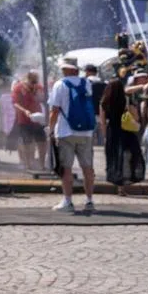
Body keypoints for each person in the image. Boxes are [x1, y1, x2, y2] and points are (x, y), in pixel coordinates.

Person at [49, 58, 97, 213]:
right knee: (88, 168)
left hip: (66, 131)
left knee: (66, 168)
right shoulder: (87, 83)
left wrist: (50, 129)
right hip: (86, 132)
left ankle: (68, 201)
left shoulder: (60, 84)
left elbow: (54, 110)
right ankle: (89, 201)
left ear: (66, 69)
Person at [100, 77, 143, 193]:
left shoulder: (104, 101)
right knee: (127, 157)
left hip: (112, 132)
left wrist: (105, 136)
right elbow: (136, 117)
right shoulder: (126, 100)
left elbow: (102, 122)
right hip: (126, 132)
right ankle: (125, 183)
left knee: (115, 158)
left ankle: (118, 184)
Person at [11, 71, 47, 172]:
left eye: (36, 81)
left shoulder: (39, 87)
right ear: (27, 79)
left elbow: (43, 100)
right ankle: (28, 165)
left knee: (42, 142)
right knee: (27, 143)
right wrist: (25, 111)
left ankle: (42, 165)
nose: (34, 84)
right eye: (33, 81)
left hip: (38, 119)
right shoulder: (18, 88)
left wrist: (41, 97)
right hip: (24, 119)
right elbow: (15, 103)